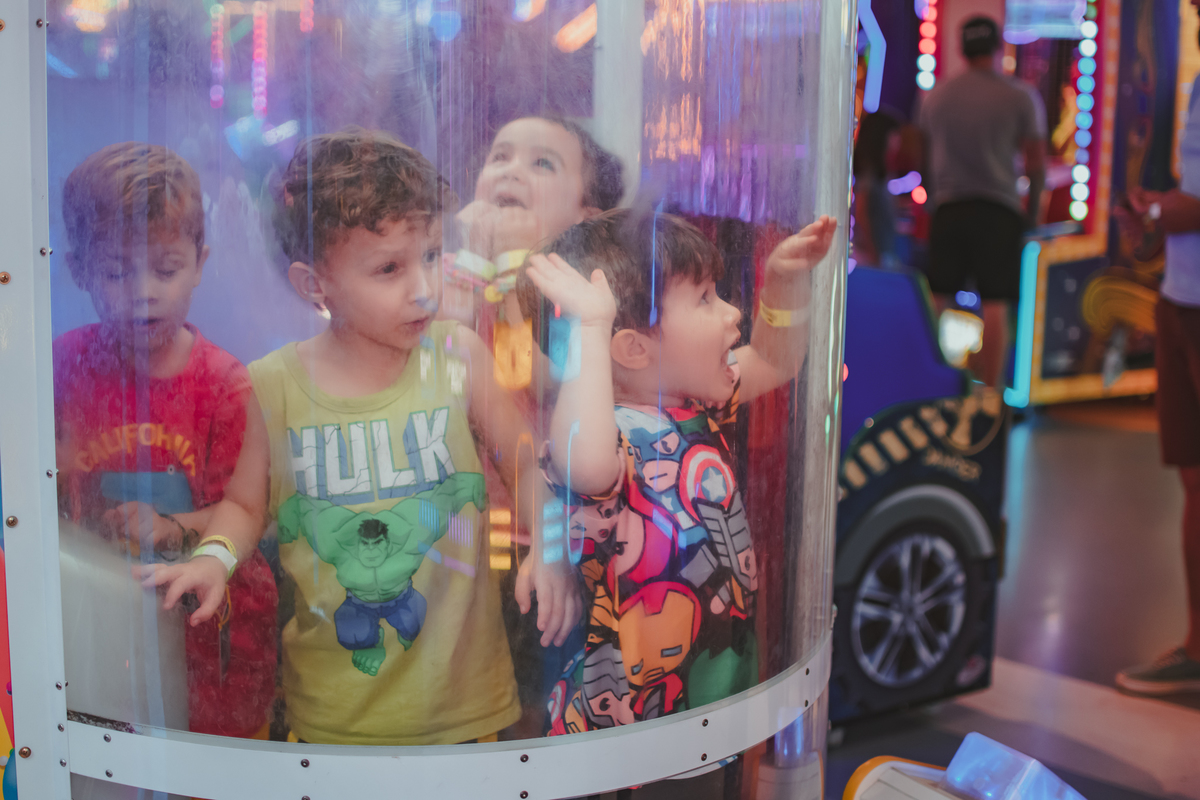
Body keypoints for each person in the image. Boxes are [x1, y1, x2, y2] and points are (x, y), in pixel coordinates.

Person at [252, 127, 579, 745]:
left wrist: (553, 547)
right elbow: (249, 509)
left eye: (431, 255)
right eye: (388, 268)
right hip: (332, 723)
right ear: (314, 285)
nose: (424, 288)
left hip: (463, 708)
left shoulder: (457, 353)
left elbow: (526, 460)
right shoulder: (271, 387)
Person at [519, 209, 835, 732]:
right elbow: (588, 465)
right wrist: (593, 330)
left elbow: (778, 361)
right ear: (634, 349)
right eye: (706, 299)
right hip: (628, 725)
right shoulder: (607, 433)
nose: (733, 313)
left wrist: (782, 283)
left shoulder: (696, 406)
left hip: (708, 698)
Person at [54, 142, 277, 739]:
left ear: (200, 262)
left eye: (167, 268)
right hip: (103, 628)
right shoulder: (62, 366)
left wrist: (179, 533)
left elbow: (250, 509)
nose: (144, 291)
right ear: (78, 270)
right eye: (116, 271)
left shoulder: (224, 384)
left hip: (215, 640)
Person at [1112, 0, 1200, 696]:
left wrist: (1170, 210)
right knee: (1192, 477)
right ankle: (1196, 647)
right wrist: (1160, 211)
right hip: (1182, 294)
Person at [918, 16, 1046, 388]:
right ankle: (991, 398)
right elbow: (1036, 163)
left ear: (961, 48)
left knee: (936, 302)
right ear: (997, 48)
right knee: (995, 303)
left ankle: (928, 388)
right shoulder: (1020, 95)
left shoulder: (936, 96)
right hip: (999, 210)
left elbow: (924, 158)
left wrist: (933, 202)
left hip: (949, 207)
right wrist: (1033, 214)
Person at [853, 110, 903, 269]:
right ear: (881, 136)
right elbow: (862, 213)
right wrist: (873, 253)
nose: (898, 141)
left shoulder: (877, 173)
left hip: (877, 254)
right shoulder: (869, 173)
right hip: (870, 258)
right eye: (894, 134)